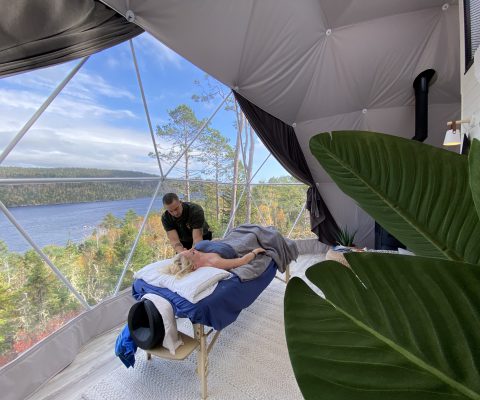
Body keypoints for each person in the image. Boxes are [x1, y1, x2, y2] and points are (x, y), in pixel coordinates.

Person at [168, 245, 266, 278]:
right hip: (236, 246)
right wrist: (255, 251)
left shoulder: (197, 255)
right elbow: (242, 261)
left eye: (189, 250)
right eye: (192, 253)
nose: (193, 249)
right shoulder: (214, 263)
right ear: (194, 266)